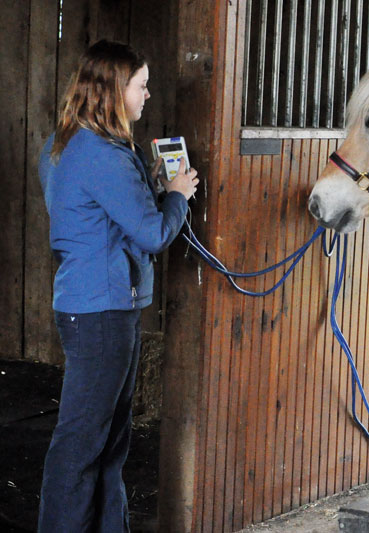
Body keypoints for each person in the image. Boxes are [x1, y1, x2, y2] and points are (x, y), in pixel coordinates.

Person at [37, 40, 198, 532]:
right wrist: (176, 197)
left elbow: (103, 219)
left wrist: (147, 188)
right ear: (114, 89)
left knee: (104, 440)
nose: (147, 95)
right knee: (85, 441)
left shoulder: (65, 142)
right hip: (103, 310)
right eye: (141, 85)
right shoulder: (104, 153)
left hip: (92, 304)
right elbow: (151, 233)